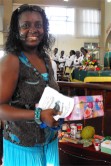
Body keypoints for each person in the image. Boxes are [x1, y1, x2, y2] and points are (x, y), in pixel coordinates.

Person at [0, 4, 61, 166]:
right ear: (16, 30)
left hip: (49, 141)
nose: (33, 30)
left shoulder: (46, 59)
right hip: (23, 147)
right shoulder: (11, 61)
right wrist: (39, 115)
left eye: (38, 25)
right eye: (26, 25)